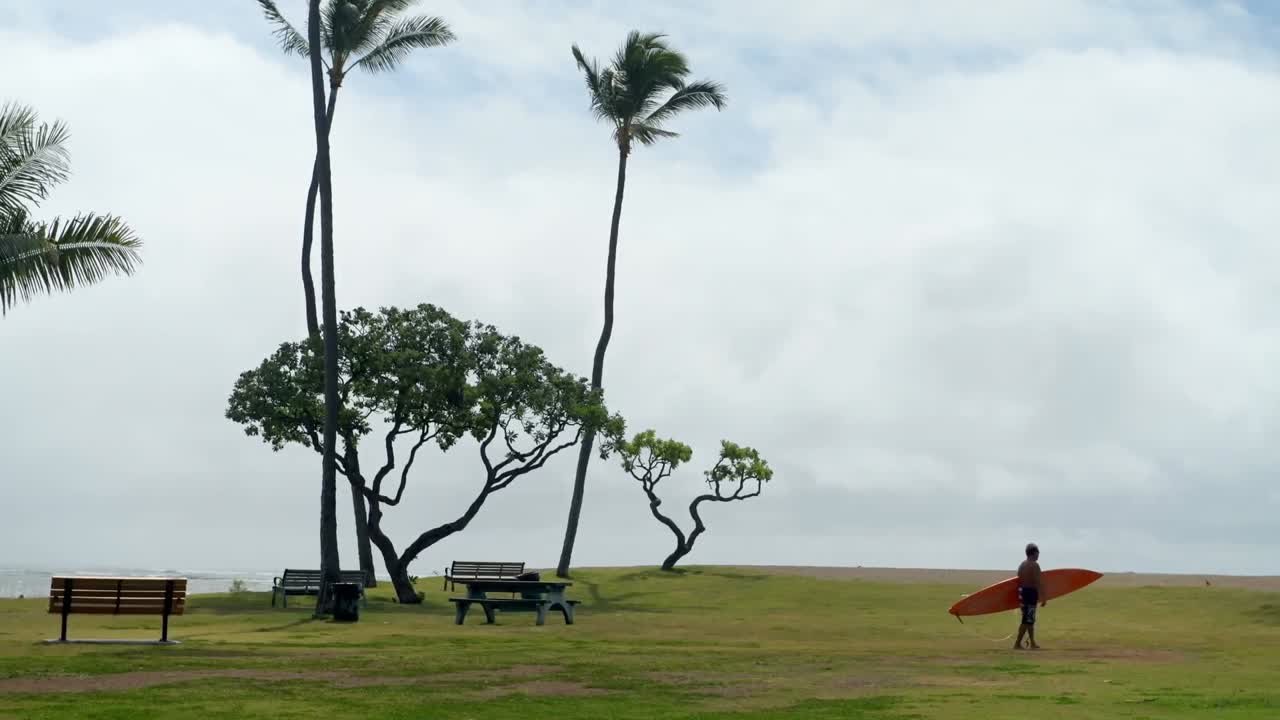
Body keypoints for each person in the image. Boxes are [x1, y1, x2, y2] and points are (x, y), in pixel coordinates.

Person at [1015, 542, 1046, 649]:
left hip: (1023, 593)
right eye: (1038, 553)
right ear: (1034, 553)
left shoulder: (1022, 565)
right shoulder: (1035, 565)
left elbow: (1018, 580)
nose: (1038, 555)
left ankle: (1032, 642)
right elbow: (1039, 582)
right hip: (1031, 593)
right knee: (1027, 620)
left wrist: (1019, 596)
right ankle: (1017, 643)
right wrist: (1044, 597)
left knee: (1029, 620)